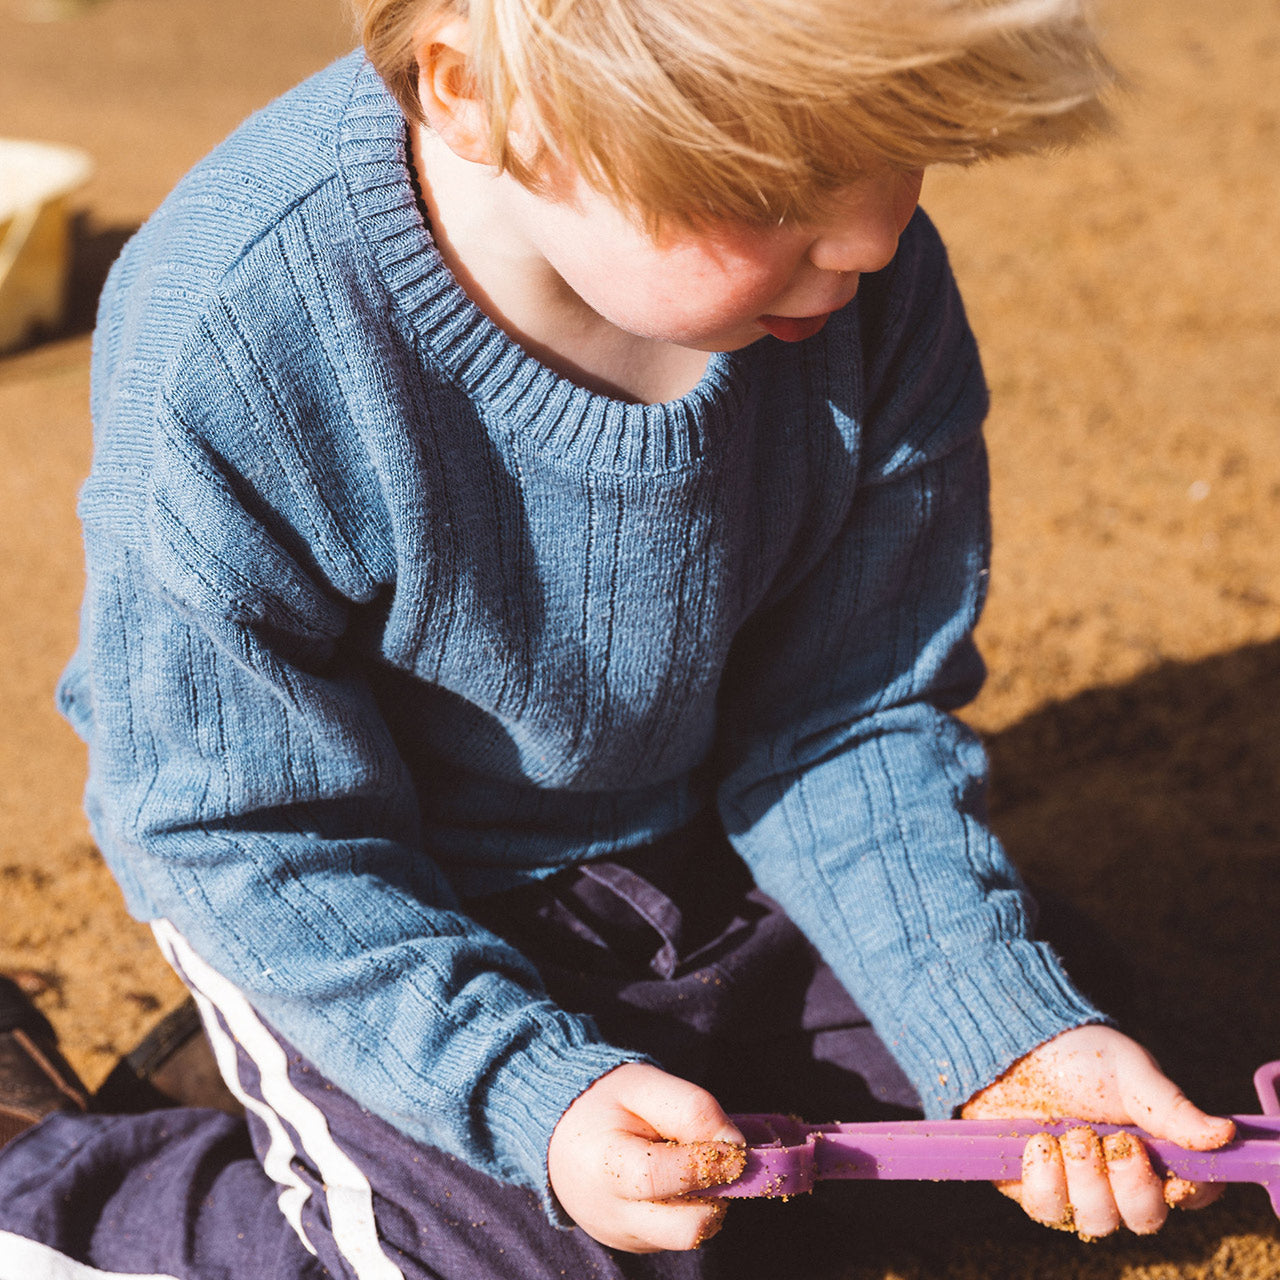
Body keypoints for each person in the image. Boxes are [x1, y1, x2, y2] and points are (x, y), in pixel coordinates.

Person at [0, 0, 1236, 1275]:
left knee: (1021, 1091)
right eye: (781, 184)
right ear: (477, 97)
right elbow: (234, 825)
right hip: (360, 899)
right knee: (537, 1259)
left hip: (683, 849)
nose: (871, 236)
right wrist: (531, 1087)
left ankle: (393, 1101)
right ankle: (56, 1160)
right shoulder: (240, 323)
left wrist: (996, 1025)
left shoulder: (865, 283)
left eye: (902, 152)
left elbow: (843, 716)